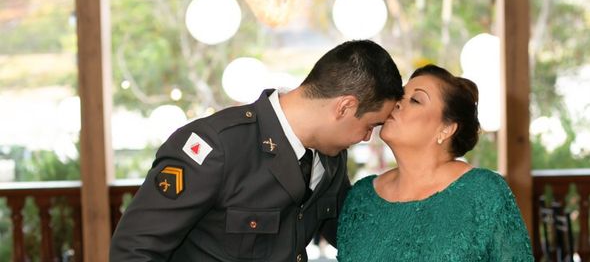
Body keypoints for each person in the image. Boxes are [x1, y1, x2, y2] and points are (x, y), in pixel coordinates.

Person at [109, 39, 403, 261]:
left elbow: (349, 233)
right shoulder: (217, 146)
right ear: (345, 107)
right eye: (371, 125)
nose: (366, 138)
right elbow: (134, 251)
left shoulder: (331, 156)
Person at [337, 63, 534, 261]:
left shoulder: (484, 192)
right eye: (400, 96)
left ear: (446, 129)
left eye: (415, 100)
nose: (396, 103)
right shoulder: (361, 197)